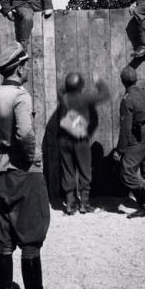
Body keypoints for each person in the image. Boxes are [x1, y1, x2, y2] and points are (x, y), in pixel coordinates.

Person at [0, 42, 70, 289]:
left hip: (1, 173)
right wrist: (26, 158)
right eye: (25, 65)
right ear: (19, 68)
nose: (27, 69)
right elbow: (25, 134)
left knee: (5, 238)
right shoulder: (20, 96)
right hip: (24, 173)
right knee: (31, 236)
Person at [113, 66, 145, 218]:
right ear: (135, 79)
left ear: (123, 82)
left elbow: (125, 129)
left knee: (127, 170)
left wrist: (120, 151)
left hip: (140, 138)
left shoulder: (127, 100)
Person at [58, 72, 110, 215]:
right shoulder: (85, 98)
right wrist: (98, 80)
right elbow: (104, 94)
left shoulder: (63, 97)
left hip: (63, 139)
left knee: (67, 170)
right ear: (80, 85)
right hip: (80, 139)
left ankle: (70, 205)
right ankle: (84, 204)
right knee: (85, 171)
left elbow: (61, 90)